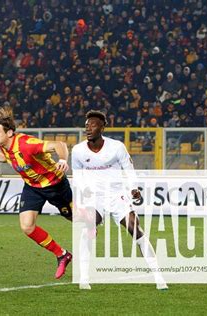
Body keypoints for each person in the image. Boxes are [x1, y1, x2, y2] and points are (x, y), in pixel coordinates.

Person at [72, 110, 168, 291]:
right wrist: (83, 190)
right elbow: (77, 176)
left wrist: (134, 188)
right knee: (87, 227)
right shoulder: (77, 150)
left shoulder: (116, 147)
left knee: (135, 228)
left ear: (102, 127)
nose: (88, 128)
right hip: (94, 197)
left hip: (117, 195)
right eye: (86, 125)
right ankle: (84, 278)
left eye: (93, 125)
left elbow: (129, 169)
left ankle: (158, 276)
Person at [0, 106, 73, 279]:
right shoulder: (4, 146)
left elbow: (60, 144)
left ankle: (91, 219)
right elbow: (14, 158)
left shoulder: (27, 144)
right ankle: (62, 254)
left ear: (10, 133)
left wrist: (63, 159)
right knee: (27, 226)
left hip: (55, 184)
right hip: (33, 187)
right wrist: (4, 159)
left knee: (74, 217)